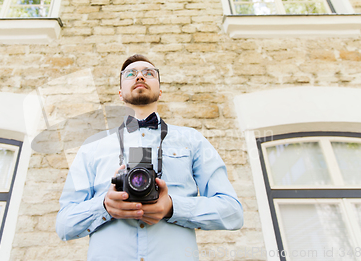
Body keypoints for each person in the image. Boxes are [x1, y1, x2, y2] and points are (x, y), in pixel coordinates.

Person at [56, 54, 243, 261]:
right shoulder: (93, 145)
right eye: (130, 74)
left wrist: (173, 207)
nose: (139, 77)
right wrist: (104, 206)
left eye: (149, 73)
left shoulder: (192, 140)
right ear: (120, 92)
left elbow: (232, 212)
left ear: (160, 90)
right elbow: (64, 224)